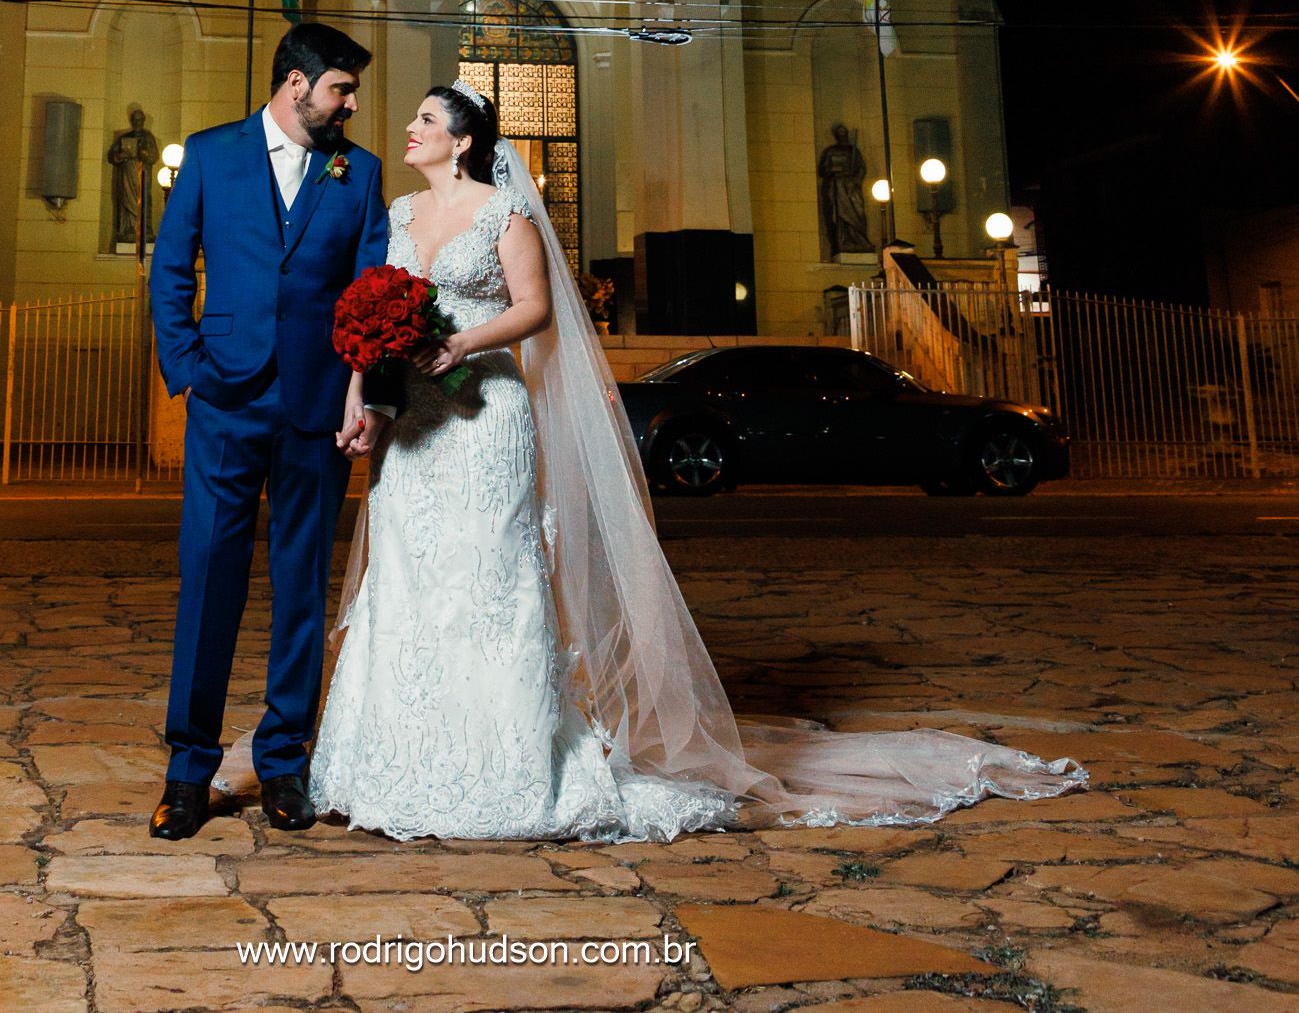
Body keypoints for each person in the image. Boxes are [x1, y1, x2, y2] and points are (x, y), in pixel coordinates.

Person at [311, 81, 1088, 842]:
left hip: (485, 418)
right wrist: (365, 399)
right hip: (414, 420)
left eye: (424, 118)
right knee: (407, 574)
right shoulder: (400, 214)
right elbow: (374, 315)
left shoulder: (505, 213)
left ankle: (503, 765)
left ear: (462, 140)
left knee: (488, 576)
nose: (409, 128)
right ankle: (397, 758)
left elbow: (535, 308)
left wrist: (461, 342)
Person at [147, 22, 391, 843]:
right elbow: (170, 266)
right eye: (340, 90)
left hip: (316, 406)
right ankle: (188, 771)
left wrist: (362, 392)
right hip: (225, 396)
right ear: (296, 84)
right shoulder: (210, 155)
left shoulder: (358, 172)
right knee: (208, 577)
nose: (349, 105)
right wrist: (187, 365)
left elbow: (368, 290)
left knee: (299, 586)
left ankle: (284, 761)